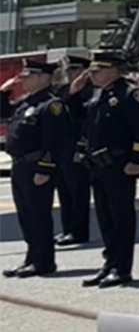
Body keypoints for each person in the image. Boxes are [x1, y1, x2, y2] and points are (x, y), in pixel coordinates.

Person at [69, 51, 139, 288]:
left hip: (119, 165)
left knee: (121, 218)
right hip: (98, 165)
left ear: (113, 70)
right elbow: (81, 119)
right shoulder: (99, 94)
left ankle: (122, 268)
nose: (92, 75)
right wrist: (75, 94)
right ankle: (109, 263)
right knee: (105, 219)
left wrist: (137, 160)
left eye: (97, 71)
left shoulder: (129, 93)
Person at [3, 61, 72, 278]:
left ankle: (44, 261)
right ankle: (31, 258)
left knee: (39, 215)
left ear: (44, 78)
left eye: (29, 76)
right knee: (25, 215)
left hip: (36, 167)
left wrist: (45, 168)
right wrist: (3, 91)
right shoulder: (26, 102)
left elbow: (55, 142)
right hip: (20, 165)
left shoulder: (51, 105)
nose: (24, 80)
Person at [52, 62, 91, 247]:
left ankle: (78, 231)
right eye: (68, 70)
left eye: (74, 69)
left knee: (78, 192)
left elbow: (85, 121)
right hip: (61, 146)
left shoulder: (89, 91)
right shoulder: (63, 90)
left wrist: (82, 147)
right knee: (64, 191)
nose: (69, 73)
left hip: (76, 146)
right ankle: (67, 228)